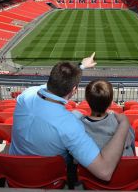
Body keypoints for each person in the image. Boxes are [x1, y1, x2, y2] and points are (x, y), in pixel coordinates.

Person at [9, 53, 130, 181]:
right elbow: (104, 172)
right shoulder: (70, 125)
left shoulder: (26, 95)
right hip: (47, 179)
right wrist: (124, 124)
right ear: (74, 90)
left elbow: (53, 85)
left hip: (15, 172)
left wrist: (81, 66)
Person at [74, 79, 135, 156]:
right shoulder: (124, 126)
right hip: (121, 165)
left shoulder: (77, 126)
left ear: (87, 100)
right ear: (110, 103)